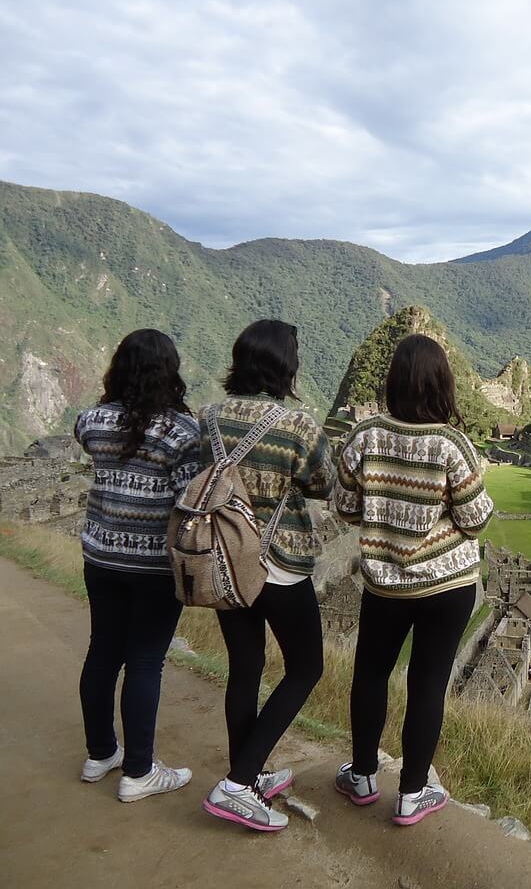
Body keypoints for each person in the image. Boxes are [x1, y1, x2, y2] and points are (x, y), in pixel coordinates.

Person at [332, 333, 494, 826]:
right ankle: (413, 792)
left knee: (371, 675)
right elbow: (477, 519)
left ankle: (361, 775)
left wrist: (385, 511)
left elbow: (344, 506)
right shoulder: (450, 443)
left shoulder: (364, 437)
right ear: (442, 385)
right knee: (428, 685)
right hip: (448, 588)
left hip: (386, 585)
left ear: (393, 383)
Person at [199, 320, 335, 832]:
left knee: (245, 669)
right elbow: (325, 483)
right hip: (278, 567)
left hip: (225, 565)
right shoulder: (296, 426)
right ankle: (236, 783)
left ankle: (248, 777)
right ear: (286, 367)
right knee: (305, 668)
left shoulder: (208, 418)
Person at [75, 329, 199, 802]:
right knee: (145, 659)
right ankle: (139, 771)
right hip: (153, 565)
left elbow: (88, 436)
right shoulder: (181, 433)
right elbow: (190, 499)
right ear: (170, 372)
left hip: (101, 555)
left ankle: (100, 753)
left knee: (103, 650)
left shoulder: (93, 421)